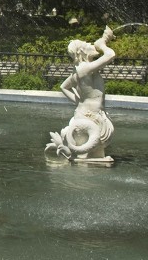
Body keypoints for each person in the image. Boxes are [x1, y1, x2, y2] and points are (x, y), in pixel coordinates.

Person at [46, 26, 116, 163]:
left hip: (87, 115)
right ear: (81, 51)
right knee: (84, 158)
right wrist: (102, 44)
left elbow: (63, 87)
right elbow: (111, 55)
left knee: (95, 155)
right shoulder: (85, 68)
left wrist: (78, 102)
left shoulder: (80, 70)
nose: (90, 44)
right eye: (86, 44)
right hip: (90, 119)